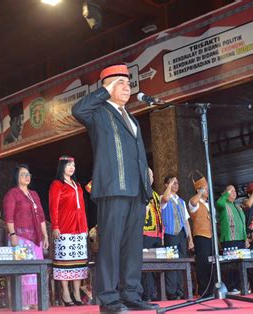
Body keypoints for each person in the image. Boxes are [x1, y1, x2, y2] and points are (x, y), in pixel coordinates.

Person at [72, 63, 157, 313]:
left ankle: (131, 295)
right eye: (120, 82)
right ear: (107, 86)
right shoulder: (98, 112)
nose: (126, 87)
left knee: (132, 246)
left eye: (128, 83)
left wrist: (146, 170)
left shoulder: (132, 119)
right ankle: (108, 300)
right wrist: (103, 92)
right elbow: (77, 109)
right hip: (113, 187)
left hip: (136, 189)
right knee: (109, 245)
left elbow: (136, 151)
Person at [3, 164, 49, 309]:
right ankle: (22, 301)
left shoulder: (34, 194)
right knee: (23, 271)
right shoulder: (13, 193)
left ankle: (34, 300)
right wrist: (12, 235)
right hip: (20, 236)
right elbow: (9, 216)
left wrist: (45, 235)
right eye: (23, 174)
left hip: (36, 238)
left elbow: (41, 216)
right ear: (16, 177)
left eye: (28, 174)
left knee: (36, 271)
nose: (27, 177)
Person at [49, 155, 89, 306]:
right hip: (64, 228)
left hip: (79, 229)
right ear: (62, 167)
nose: (72, 167)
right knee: (65, 263)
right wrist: (55, 226)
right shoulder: (57, 184)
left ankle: (77, 293)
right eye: (68, 165)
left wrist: (84, 227)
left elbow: (83, 209)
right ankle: (66, 293)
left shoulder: (77, 185)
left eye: (73, 165)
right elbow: (53, 207)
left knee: (78, 262)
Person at [161, 175, 193, 300]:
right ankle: (171, 291)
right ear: (166, 185)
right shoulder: (163, 198)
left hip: (181, 234)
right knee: (172, 263)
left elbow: (185, 221)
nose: (176, 185)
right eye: (173, 183)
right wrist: (168, 186)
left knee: (182, 262)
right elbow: (165, 198)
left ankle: (181, 289)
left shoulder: (181, 201)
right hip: (170, 233)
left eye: (177, 183)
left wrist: (190, 238)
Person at [216, 185, 247, 294]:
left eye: (234, 190)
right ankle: (230, 287)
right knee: (230, 264)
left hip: (241, 239)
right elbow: (218, 203)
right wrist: (225, 194)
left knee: (240, 264)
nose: (233, 192)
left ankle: (239, 286)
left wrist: (246, 238)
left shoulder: (237, 206)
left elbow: (243, 224)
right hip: (229, 238)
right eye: (230, 190)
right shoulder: (223, 204)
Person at [188, 174, 213, 297]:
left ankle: (212, 289)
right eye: (205, 189)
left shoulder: (209, 203)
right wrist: (200, 192)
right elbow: (193, 202)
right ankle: (204, 290)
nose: (207, 191)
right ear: (199, 190)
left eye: (207, 189)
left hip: (210, 236)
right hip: (200, 236)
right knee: (202, 264)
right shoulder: (195, 202)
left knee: (211, 263)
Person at [141, 168, 163, 302]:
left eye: (152, 175)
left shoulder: (154, 194)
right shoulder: (140, 192)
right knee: (146, 265)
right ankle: (148, 293)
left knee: (157, 266)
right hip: (145, 232)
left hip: (157, 233)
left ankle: (155, 292)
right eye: (149, 175)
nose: (151, 177)